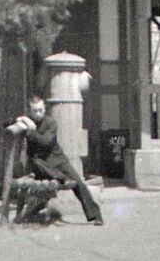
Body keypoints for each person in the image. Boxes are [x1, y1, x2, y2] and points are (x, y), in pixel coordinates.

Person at [14, 94, 103, 225]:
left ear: (45, 108)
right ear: (29, 111)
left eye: (41, 110)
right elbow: (7, 123)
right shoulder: (27, 121)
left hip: (58, 159)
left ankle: (96, 215)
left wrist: (31, 132)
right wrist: (21, 119)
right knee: (37, 161)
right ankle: (64, 179)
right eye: (35, 111)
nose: (38, 114)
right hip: (41, 164)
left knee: (78, 182)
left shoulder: (51, 122)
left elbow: (46, 142)